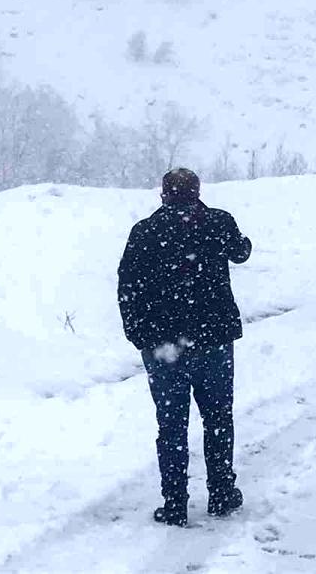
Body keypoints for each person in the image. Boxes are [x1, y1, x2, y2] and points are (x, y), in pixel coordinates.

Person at [117, 168, 252, 527]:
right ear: (197, 191)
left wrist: (139, 334)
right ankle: (222, 493)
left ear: (163, 194)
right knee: (218, 419)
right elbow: (241, 252)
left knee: (172, 426)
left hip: (164, 347)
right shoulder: (218, 223)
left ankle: (175, 503)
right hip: (214, 341)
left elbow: (127, 285)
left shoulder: (145, 231)